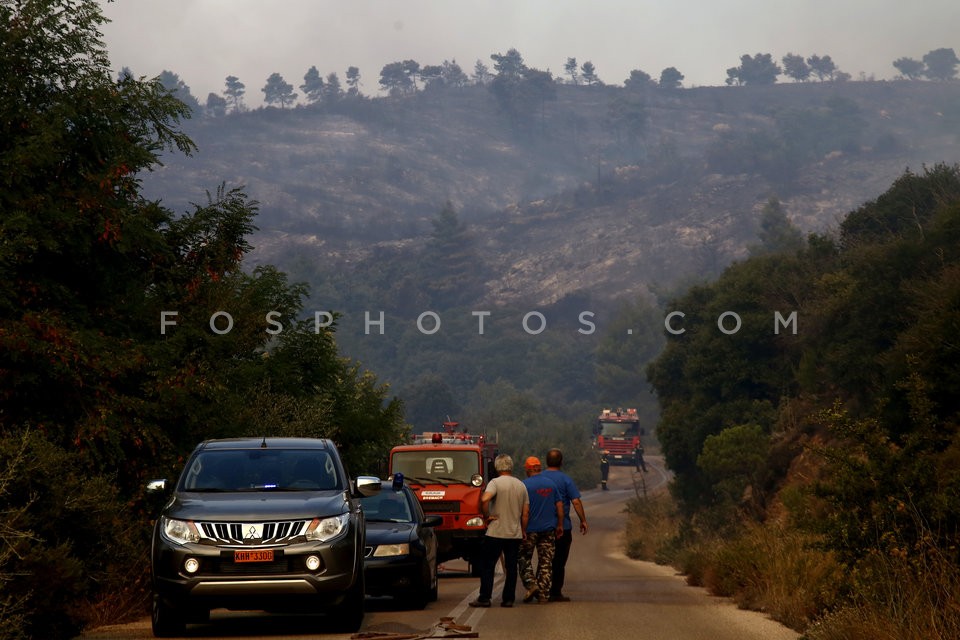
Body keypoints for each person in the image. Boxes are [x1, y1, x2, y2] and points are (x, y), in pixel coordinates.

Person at [469, 454, 529, 609]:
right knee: (511, 567)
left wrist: (487, 516)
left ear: (497, 467)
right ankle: (508, 599)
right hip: (513, 533)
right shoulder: (521, 485)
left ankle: (485, 598)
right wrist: (523, 530)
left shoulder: (495, 483)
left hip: (495, 532)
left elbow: (484, 499)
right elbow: (525, 512)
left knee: (488, 565)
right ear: (511, 466)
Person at [541, 448, 588, 602]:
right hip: (564, 528)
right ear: (561, 462)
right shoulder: (566, 480)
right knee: (559, 562)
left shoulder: (539, 478)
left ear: (546, 462)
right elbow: (575, 501)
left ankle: (540, 589)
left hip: (542, 528)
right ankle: (555, 592)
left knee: (544, 560)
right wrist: (583, 520)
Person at [518, 456, 562, 604]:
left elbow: (524, 511)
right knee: (546, 562)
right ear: (539, 468)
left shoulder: (524, 486)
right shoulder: (551, 484)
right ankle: (543, 594)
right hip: (548, 530)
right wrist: (560, 525)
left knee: (523, 557)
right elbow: (559, 507)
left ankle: (531, 584)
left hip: (530, 529)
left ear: (527, 469)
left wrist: (522, 529)